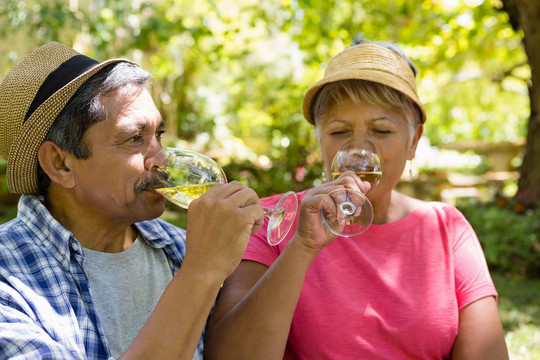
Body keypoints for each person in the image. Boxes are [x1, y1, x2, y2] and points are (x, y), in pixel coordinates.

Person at [204, 38, 509, 359]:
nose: (358, 150)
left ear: (413, 141)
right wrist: (302, 247)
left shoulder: (446, 229)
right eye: (338, 132)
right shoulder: (272, 219)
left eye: (381, 131)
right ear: (319, 139)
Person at [0, 42, 264, 359]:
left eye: (159, 135)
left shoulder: (178, 246)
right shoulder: (9, 279)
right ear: (61, 164)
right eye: (135, 138)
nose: (163, 160)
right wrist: (201, 272)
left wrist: (303, 246)